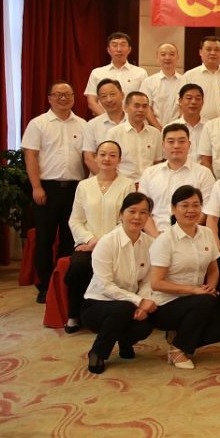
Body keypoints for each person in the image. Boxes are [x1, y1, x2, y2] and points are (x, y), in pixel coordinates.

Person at [22, 80, 88, 303]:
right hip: (46, 189)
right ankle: (44, 286)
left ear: (73, 98)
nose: (63, 98)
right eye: (58, 94)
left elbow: (87, 158)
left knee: (70, 239)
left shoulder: (83, 125)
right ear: (49, 98)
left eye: (67, 94)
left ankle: (64, 284)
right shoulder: (38, 124)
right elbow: (31, 156)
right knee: (45, 239)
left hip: (75, 189)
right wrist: (36, 187)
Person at [149, 185, 220, 369]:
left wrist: (210, 286)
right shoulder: (165, 240)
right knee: (206, 303)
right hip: (166, 304)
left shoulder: (206, 233)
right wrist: (193, 290)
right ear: (173, 209)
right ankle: (178, 349)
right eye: (185, 205)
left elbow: (213, 269)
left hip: (196, 300)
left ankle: (181, 336)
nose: (191, 210)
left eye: (196, 205)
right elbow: (156, 283)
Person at [81, 193, 157, 374]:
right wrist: (138, 301)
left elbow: (148, 280)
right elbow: (105, 286)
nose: (137, 217)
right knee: (124, 308)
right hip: (97, 305)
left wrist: (143, 305)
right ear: (121, 214)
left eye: (143, 213)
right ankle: (98, 352)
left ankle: (124, 341)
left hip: (129, 304)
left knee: (146, 323)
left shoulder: (150, 243)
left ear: (148, 217)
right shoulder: (107, 243)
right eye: (132, 211)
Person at [65, 140, 136, 333]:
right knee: (79, 266)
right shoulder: (84, 186)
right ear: (95, 157)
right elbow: (75, 219)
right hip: (87, 244)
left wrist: (103, 243)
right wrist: (90, 240)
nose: (107, 159)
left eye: (113, 155)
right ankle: (74, 315)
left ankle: (110, 317)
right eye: (102, 154)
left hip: (115, 245)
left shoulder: (127, 185)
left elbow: (127, 219)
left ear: (119, 160)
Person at [138, 124, 216, 237]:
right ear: (163, 145)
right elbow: (143, 210)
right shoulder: (149, 174)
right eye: (171, 142)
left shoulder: (204, 173)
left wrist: (184, 234)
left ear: (189, 145)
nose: (176, 146)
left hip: (191, 236)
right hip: (155, 236)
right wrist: (157, 239)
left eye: (181, 141)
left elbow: (206, 210)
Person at [84, 32, 146, 116]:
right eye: (114, 45)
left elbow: (144, 101)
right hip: (104, 121)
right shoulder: (97, 73)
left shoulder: (140, 73)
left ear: (129, 49)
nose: (119, 49)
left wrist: (127, 120)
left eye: (123, 45)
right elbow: (92, 102)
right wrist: (108, 119)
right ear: (108, 50)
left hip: (132, 121)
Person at [106, 91, 162, 180]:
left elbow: (157, 162)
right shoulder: (114, 133)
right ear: (125, 108)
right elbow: (109, 163)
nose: (141, 109)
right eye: (136, 106)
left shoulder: (155, 133)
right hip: (123, 182)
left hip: (150, 182)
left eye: (144, 106)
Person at [184, 35, 220, 121]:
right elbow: (182, 104)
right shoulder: (190, 76)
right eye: (208, 49)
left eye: (217, 50)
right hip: (200, 125)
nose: (213, 53)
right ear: (200, 52)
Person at [83, 79, 126, 174]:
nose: (109, 100)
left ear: (122, 95)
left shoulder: (133, 122)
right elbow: (89, 158)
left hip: (130, 180)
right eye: (103, 96)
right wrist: (107, 179)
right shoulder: (92, 125)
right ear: (99, 100)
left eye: (112, 94)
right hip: (101, 179)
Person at [140, 42, 183, 128]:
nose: (167, 58)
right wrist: (159, 129)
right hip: (155, 130)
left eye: (172, 54)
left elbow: (185, 107)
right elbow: (147, 108)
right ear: (157, 58)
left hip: (179, 129)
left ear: (177, 58)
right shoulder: (148, 82)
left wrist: (177, 128)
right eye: (163, 54)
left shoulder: (185, 81)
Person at [167, 83, 206, 164]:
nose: (193, 102)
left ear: (202, 102)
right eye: (189, 98)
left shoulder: (210, 127)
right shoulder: (170, 128)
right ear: (180, 101)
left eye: (198, 99)